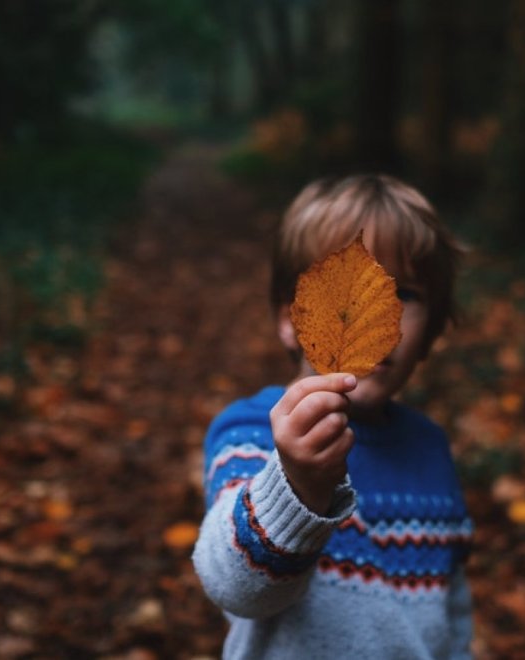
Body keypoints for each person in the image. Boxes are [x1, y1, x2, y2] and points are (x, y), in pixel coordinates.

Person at [193, 174, 474, 659]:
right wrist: (296, 483)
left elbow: (452, 615)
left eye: (402, 293)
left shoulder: (429, 448)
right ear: (290, 319)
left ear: (431, 333)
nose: (374, 310)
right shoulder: (255, 433)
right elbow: (234, 588)